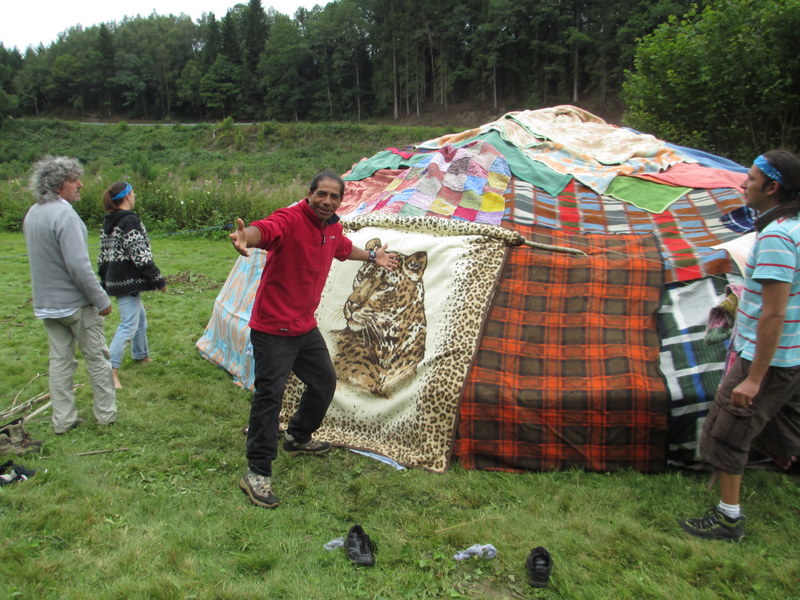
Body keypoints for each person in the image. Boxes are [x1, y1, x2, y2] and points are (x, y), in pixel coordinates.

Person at [229, 170, 398, 508]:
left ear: (340, 200)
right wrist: (246, 236)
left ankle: (297, 436)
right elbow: (265, 229)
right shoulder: (290, 220)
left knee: (323, 383)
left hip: (303, 327)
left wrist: (374, 257)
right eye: (322, 194)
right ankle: (257, 472)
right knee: (269, 397)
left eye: (334, 196)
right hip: (273, 328)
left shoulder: (332, 228)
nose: (327, 201)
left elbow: (343, 248)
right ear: (309, 194)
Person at [679, 150, 800, 541]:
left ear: (772, 186)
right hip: (793, 353)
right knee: (784, 424)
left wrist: (754, 378)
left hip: (767, 358)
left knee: (728, 431)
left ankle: (728, 519)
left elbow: (773, 314)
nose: (743, 184)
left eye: (749, 179)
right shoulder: (794, 227)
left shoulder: (779, 237)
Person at [22, 156, 117, 434]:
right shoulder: (64, 215)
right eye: (74, 180)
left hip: (47, 305)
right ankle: (106, 415)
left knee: (60, 363)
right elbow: (78, 265)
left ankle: (62, 420)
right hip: (76, 304)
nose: (80, 184)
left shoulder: (33, 213)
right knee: (98, 358)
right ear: (58, 184)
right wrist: (101, 299)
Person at [97, 182, 167, 389]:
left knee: (140, 320)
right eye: (133, 193)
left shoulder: (109, 221)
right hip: (128, 282)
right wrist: (158, 280)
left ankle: (141, 355)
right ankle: (110, 370)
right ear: (127, 197)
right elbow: (140, 254)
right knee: (128, 324)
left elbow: (102, 257)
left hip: (116, 280)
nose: (135, 196)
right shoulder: (129, 221)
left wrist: (104, 279)